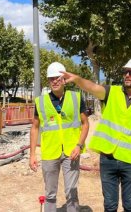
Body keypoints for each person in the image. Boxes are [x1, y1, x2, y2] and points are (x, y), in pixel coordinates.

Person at [62, 57, 131, 212]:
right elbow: (92, 87)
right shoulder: (112, 92)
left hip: (130, 161)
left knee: (130, 205)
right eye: (126, 72)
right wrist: (77, 79)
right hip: (108, 159)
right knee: (110, 206)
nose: (127, 75)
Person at [30, 62, 89, 212]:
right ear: (48, 81)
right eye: (51, 78)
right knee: (50, 193)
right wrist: (32, 155)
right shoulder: (41, 102)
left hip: (72, 152)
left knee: (71, 190)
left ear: (64, 79)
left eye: (58, 77)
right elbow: (35, 127)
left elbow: (85, 124)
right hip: (50, 152)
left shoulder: (76, 98)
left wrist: (79, 145)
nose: (55, 81)